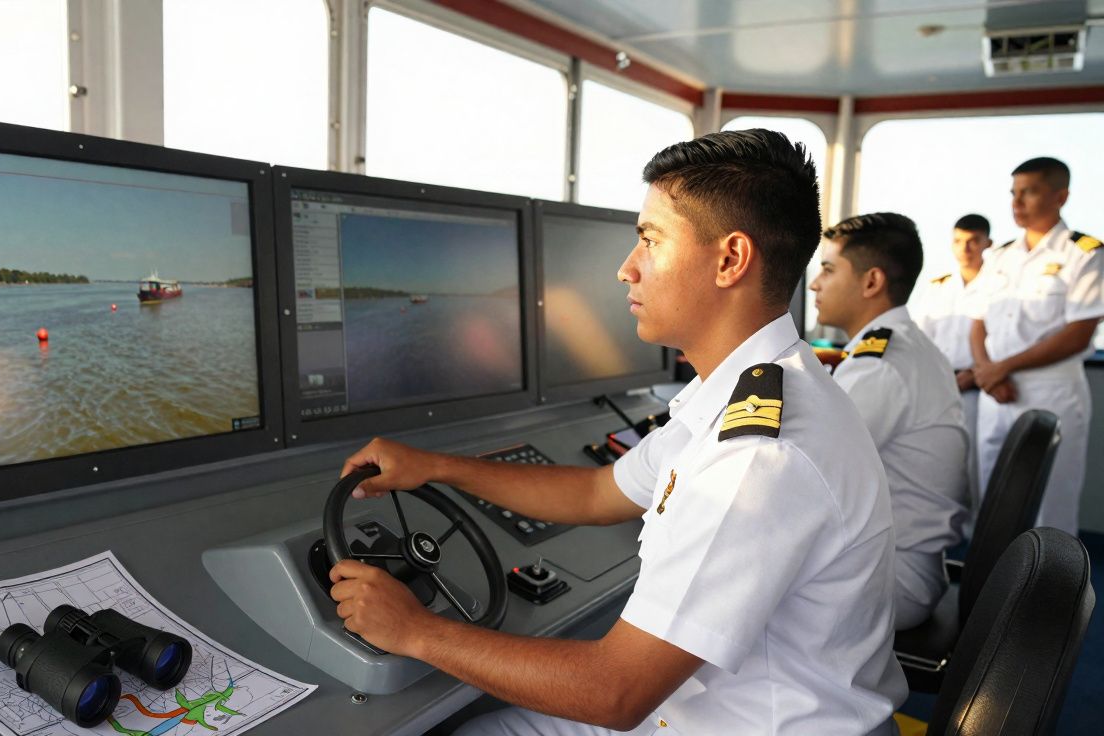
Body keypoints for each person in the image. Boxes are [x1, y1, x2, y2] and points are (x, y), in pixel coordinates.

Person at [328, 130, 906, 734]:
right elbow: (596, 493)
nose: (625, 269)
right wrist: (438, 466)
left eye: (650, 241)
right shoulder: (741, 393)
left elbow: (614, 692)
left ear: (731, 260)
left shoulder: (759, 458)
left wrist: (415, 630)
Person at [810, 212, 969, 629]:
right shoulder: (900, 349)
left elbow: (804, 470)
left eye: (827, 270)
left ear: (871, 282)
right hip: (908, 561)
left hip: (894, 578)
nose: (814, 284)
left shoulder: (879, 367)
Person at [970, 157, 1104, 535]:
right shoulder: (999, 257)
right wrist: (986, 370)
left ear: (1061, 196)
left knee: (1052, 505)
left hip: (1053, 390)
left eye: (1029, 192)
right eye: (1014, 193)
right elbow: (978, 322)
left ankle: (1054, 591)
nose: (1017, 202)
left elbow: (1079, 332)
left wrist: (1001, 367)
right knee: (993, 499)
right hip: (995, 392)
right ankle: (992, 587)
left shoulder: (1085, 253)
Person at [912, 214, 993, 528]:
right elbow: (920, 339)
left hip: (978, 388)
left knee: (979, 468)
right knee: (943, 463)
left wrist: (973, 375)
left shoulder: (996, 285)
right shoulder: (938, 288)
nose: (965, 248)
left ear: (988, 243)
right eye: (958, 241)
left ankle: (978, 543)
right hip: (941, 386)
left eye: (973, 241)